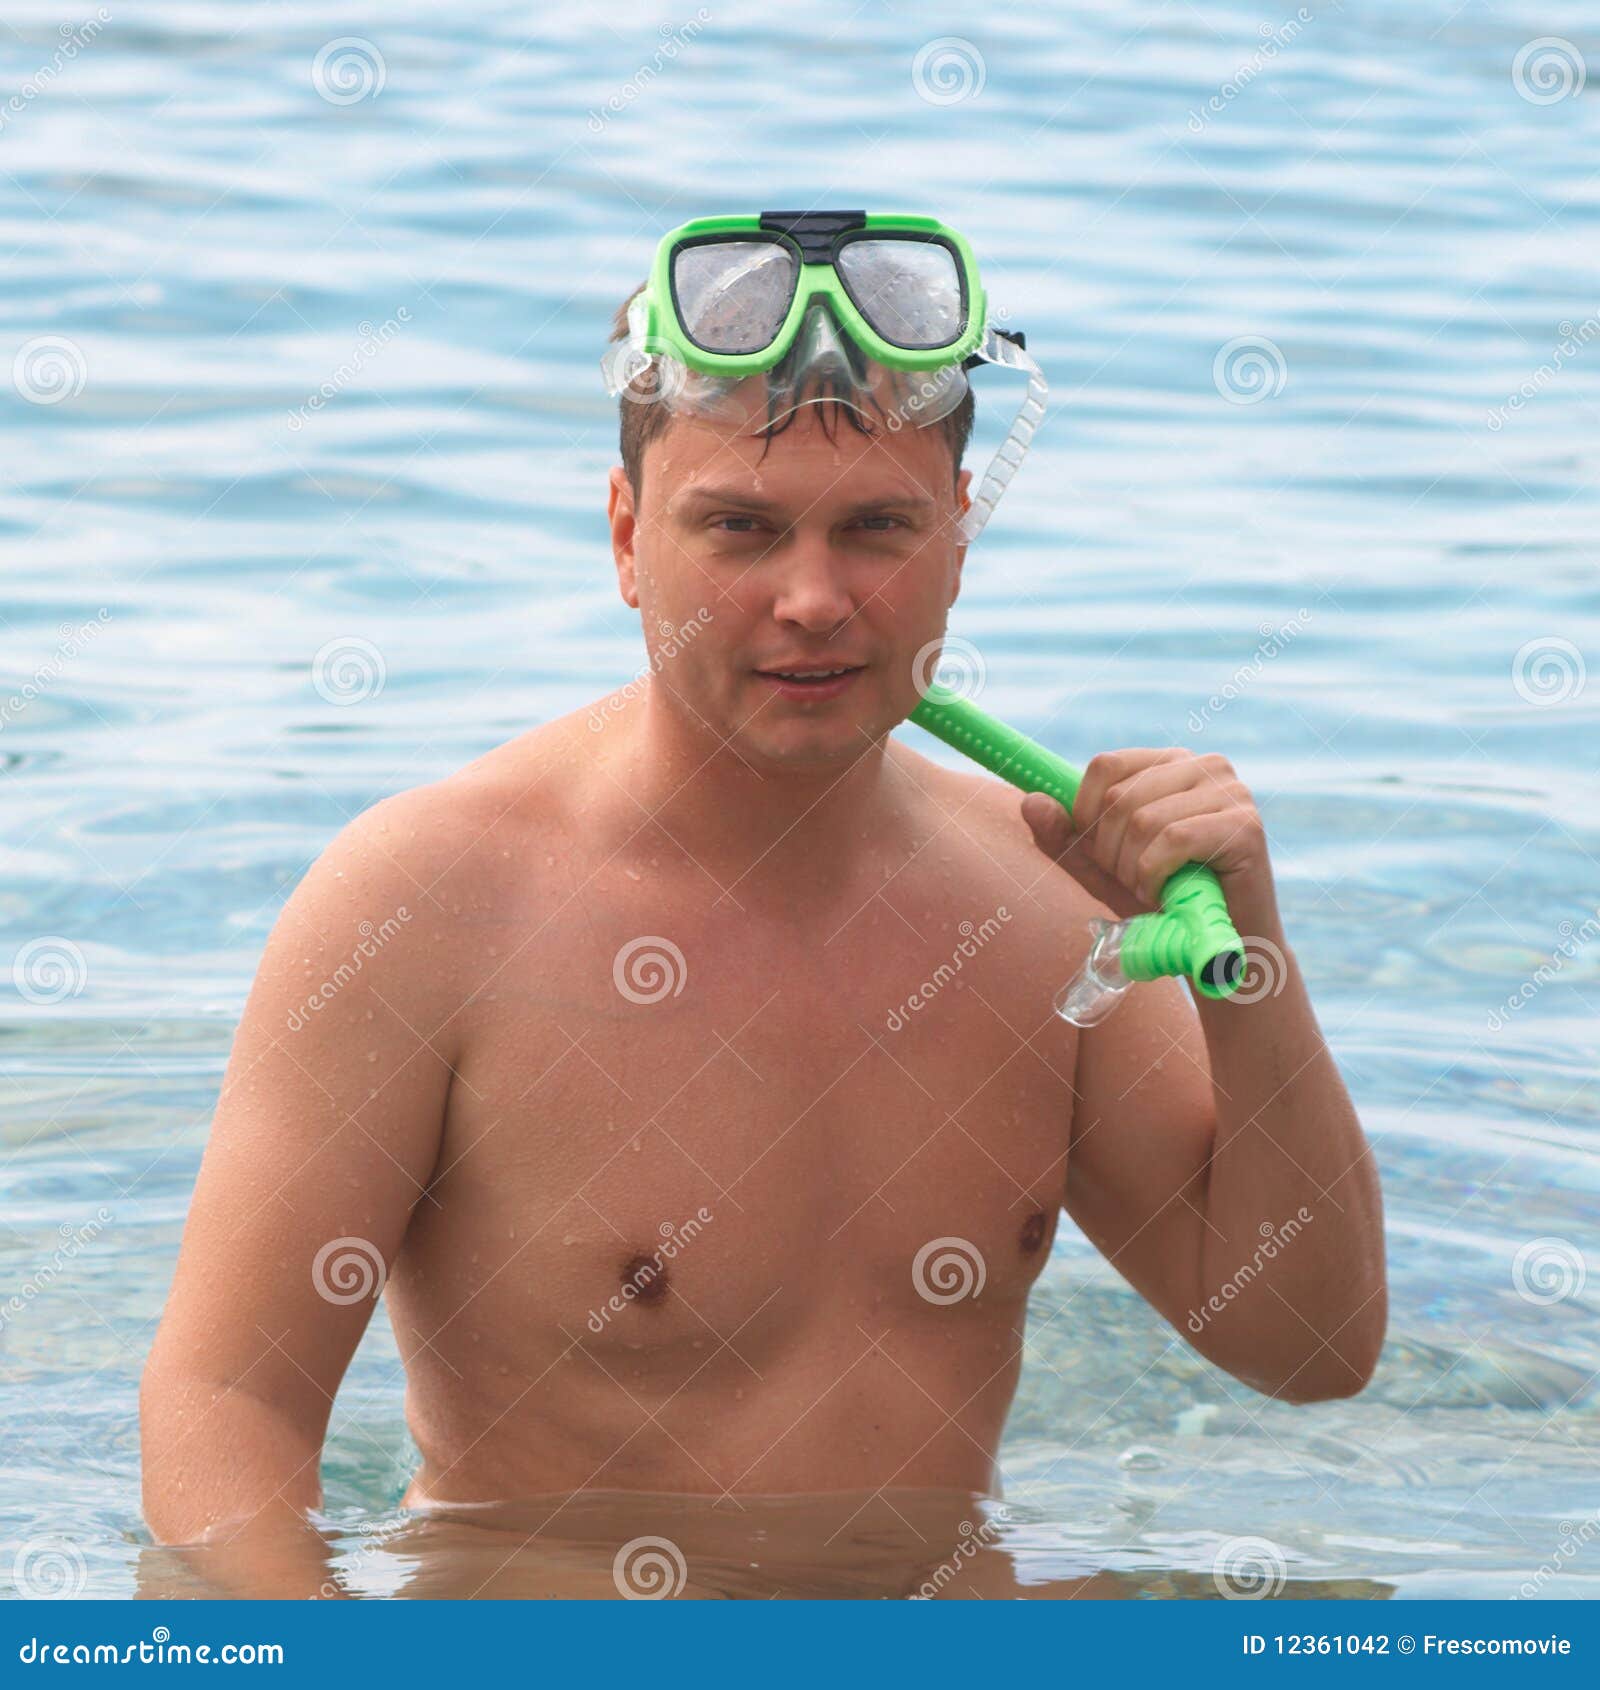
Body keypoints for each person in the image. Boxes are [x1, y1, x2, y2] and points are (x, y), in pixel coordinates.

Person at [139, 209, 1386, 1599]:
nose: (813, 599)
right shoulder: (429, 901)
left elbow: (1308, 1345)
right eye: (739, 527)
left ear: (960, 542)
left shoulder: (1049, 900)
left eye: (877, 530)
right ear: (625, 539)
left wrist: (1251, 957)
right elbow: (223, 1410)